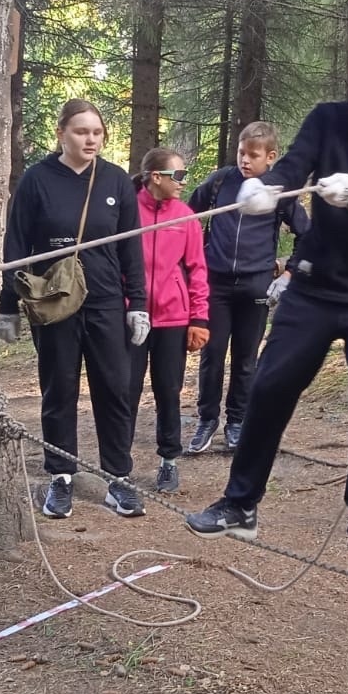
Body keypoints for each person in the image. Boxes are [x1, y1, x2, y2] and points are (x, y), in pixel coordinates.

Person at [185, 15, 348, 583]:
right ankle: (240, 506)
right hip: (314, 287)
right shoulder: (327, 121)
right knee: (271, 384)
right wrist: (263, 190)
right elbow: (290, 166)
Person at [0, 99, 150, 520]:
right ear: (61, 133)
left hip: (104, 302)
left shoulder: (116, 181)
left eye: (97, 132)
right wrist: (7, 306)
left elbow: (131, 248)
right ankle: (61, 477)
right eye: (82, 131)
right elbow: (15, 247)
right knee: (59, 390)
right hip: (55, 305)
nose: (91, 139)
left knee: (114, 390)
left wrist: (137, 304)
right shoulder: (36, 180)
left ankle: (119, 479)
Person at [186, 122, 310, 454]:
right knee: (212, 354)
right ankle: (206, 420)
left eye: (253, 155)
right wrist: (192, 261)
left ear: (270, 157)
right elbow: (185, 216)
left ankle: (237, 421)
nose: (245, 160)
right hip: (216, 283)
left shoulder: (278, 192)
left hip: (257, 285)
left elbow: (307, 235)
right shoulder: (220, 182)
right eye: (241, 152)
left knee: (246, 358)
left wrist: (288, 275)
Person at [127, 148, 211, 493]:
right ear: (155, 177)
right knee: (125, 390)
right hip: (130, 315)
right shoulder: (127, 213)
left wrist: (199, 318)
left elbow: (198, 271)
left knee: (168, 390)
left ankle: (168, 461)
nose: (183, 182)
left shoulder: (186, 217)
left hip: (173, 319)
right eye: (178, 175)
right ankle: (118, 464)